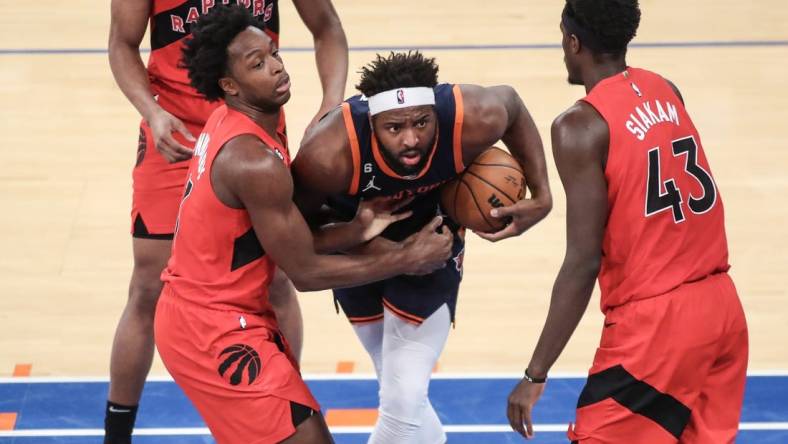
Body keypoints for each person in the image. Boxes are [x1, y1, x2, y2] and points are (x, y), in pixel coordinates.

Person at [152, 6, 454, 444]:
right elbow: (306, 273)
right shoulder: (252, 159)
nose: (276, 67)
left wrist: (356, 228)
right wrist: (407, 257)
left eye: (273, 53)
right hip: (210, 329)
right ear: (229, 85)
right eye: (258, 64)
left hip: (218, 315)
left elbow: (275, 236)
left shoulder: (238, 122)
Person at [505, 1, 749, 442]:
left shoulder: (579, 127)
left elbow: (582, 262)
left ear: (574, 42)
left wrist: (535, 373)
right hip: (722, 310)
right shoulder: (666, 88)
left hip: (658, 328)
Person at [105, 0, 348, 441]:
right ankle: (116, 433)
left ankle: (276, 403)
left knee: (273, 277)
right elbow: (122, 43)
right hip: (173, 133)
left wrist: (332, 104)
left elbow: (326, 24)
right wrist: (153, 112)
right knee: (148, 286)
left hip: (250, 122)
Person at [292, 51, 553, 443]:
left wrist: (543, 194)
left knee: (403, 400)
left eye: (421, 123)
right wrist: (367, 246)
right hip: (356, 245)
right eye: (394, 128)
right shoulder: (327, 154)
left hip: (433, 246)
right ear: (372, 123)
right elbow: (297, 240)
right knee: (399, 390)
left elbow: (512, 105)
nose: (411, 138)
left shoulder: (471, 117)